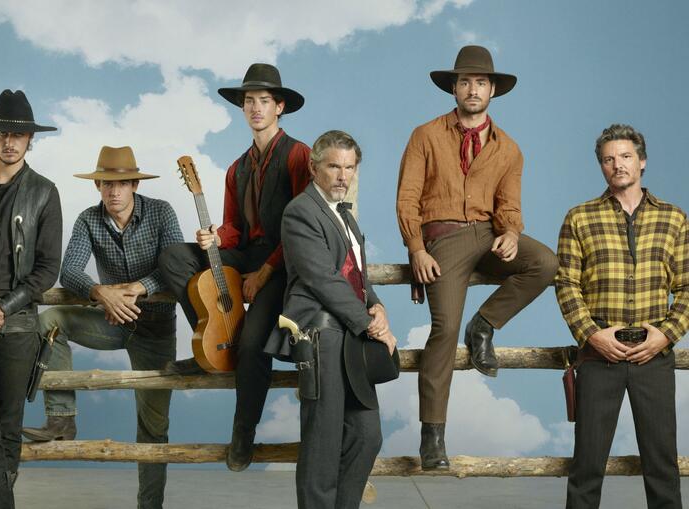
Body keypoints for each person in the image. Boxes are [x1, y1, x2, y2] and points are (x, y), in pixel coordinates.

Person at [396, 45, 558, 470]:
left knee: (544, 262)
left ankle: (484, 325)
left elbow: (510, 205)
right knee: (443, 331)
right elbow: (407, 199)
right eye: (465, 81)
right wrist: (415, 248)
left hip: (488, 235)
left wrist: (510, 232)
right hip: (443, 239)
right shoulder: (425, 135)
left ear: (492, 90)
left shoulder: (510, 149)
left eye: (481, 82)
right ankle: (433, 435)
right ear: (453, 88)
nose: (473, 89)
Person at [158, 63, 311, 471]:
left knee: (254, 345)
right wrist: (215, 238)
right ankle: (213, 338)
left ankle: (243, 430)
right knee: (175, 256)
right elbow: (234, 229)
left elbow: (302, 230)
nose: (255, 108)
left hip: (284, 262)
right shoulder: (236, 168)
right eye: (249, 101)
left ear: (280, 107)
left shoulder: (300, 155)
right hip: (247, 253)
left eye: (264, 101)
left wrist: (264, 273)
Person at [21, 146, 183, 509]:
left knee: (153, 426)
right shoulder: (87, 219)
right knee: (50, 320)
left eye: (122, 183)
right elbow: (70, 271)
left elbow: (177, 267)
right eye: (106, 184)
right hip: (112, 323)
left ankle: (149, 505)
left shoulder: (161, 212)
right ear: (97, 186)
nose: (114, 191)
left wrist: (138, 288)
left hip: (155, 329)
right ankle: (61, 422)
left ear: (134, 185)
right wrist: (100, 293)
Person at [556, 124, 688, 508]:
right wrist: (592, 335)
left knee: (662, 467)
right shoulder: (579, 218)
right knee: (586, 467)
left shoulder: (674, 219)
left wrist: (665, 336)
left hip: (655, 358)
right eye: (609, 159)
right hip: (599, 357)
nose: (618, 165)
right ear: (601, 166)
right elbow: (566, 284)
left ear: (642, 161)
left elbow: (687, 287)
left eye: (626, 156)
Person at [265, 130, 396, 509]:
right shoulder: (300, 212)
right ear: (314, 167)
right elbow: (322, 278)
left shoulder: (346, 217)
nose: (343, 175)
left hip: (351, 332)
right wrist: (371, 324)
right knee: (322, 442)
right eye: (334, 166)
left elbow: (358, 275)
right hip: (320, 334)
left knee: (366, 434)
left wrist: (378, 306)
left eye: (349, 167)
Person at [0, 89, 62, 508]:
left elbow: (47, 269)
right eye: (3, 132)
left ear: (29, 140)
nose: (10, 141)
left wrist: (1, 310)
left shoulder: (45, 191)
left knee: (8, 430)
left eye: (18, 135)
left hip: (17, 325)